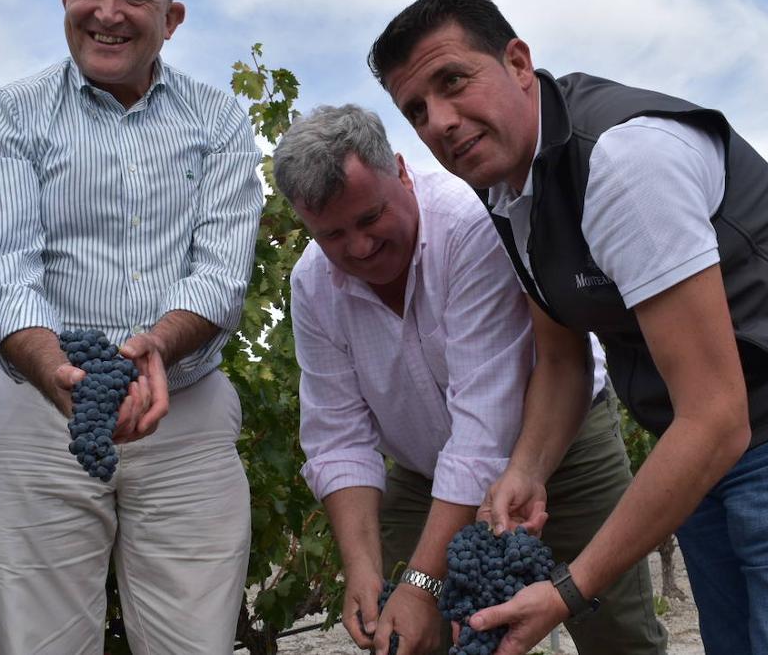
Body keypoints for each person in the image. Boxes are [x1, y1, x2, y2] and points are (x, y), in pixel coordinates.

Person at [369, 0, 768, 655]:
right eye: (416, 110)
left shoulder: (623, 162)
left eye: (453, 82)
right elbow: (560, 357)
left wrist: (569, 588)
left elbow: (716, 415)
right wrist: (527, 468)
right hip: (695, 426)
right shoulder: (505, 187)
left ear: (519, 63)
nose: (439, 120)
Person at [0, 0, 262, 654]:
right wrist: (55, 368)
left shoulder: (217, 120)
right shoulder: (7, 117)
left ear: (171, 20)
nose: (107, 10)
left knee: (197, 645)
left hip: (185, 410)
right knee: (44, 644)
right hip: (38, 411)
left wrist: (155, 344)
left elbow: (220, 274)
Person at [274, 104, 666, 655]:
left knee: (614, 629)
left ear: (403, 173)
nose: (358, 247)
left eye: (369, 219)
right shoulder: (312, 284)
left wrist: (422, 580)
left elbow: (487, 425)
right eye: (332, 234)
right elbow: (337, 436)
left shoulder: (468, 225)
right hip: (423, 468)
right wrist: (364, 571)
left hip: (559, 445)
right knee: (411, 634)